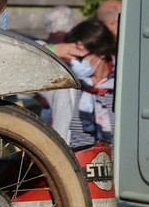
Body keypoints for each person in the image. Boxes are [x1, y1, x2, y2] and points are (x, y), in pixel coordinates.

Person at [45, 18, 116, 149]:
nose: (74, 62)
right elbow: (23, 57)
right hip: (72, 166)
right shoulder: (64, 82)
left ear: (100, 52)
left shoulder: (122, 83)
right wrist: (55, 48)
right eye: (70, 55)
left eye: (79, 57)